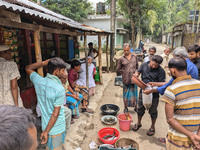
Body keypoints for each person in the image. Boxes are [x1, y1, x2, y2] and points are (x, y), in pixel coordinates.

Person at [143, 47, 198, 144]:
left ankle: (172, 139)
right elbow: (170, 82)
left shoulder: (173, 90)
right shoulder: (191, 69)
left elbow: (170, 119)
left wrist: (153, 90)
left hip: (182, 101)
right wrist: (156, 83)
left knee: (178, 120)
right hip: (193, 104)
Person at [26, 58, 71, 150]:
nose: (63, 73)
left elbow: (28, 68)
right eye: (62, 70)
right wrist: (46, 132)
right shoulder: (59, 89)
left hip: (46, 124)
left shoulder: (38, 81)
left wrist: (43, 63)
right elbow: (55, 114)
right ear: (56, 71)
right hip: (56, 127)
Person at [162, 57, 200, 150]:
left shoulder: (171, 90)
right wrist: (197, 137)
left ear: (172, 71)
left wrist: (190, 135)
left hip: (177, 140)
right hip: (196, 140)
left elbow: (170, 120)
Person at [132, 55, 165, 136]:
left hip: (154, 94)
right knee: (140, 108)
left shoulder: (161, 71)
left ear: (159, 65)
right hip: (143, 91)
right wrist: (136, 74)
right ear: (150, 60)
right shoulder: (144, 65)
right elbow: (138, 71)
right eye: (152, 64)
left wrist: (153, 87)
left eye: (156, 66)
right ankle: (138, 123)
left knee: (153, 111)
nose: (153, 66)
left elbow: (162, 84)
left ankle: (152, 127)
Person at [117, 43, 138, 112]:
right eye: (124, 50)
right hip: (126, 79)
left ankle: (136, 107)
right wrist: (124, 73)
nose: (126, 52)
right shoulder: (121, 59)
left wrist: (136, 74)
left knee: (135, 94)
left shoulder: (135, 57)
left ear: (130, 49)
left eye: (127, 50)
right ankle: (125, 107)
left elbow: (137, 67)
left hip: (134, 79)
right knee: (126, 94)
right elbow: (118, 69)